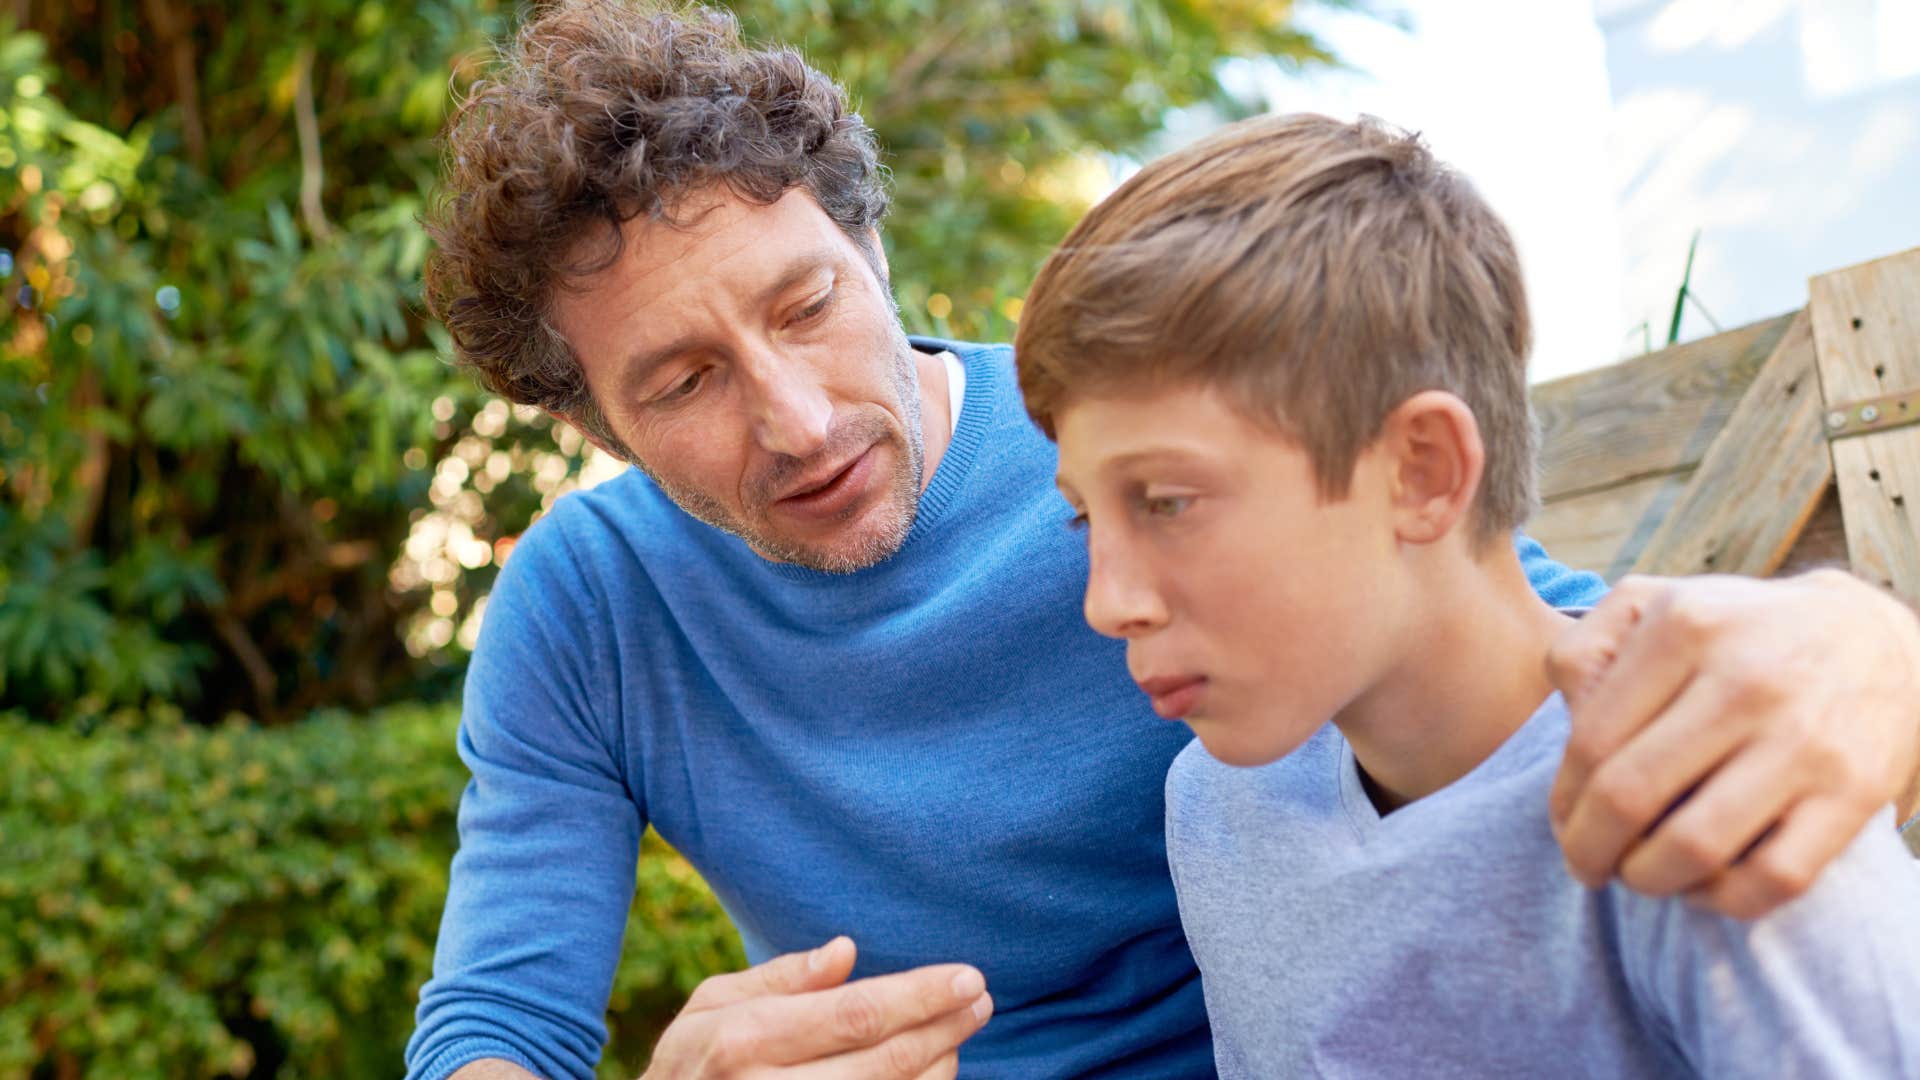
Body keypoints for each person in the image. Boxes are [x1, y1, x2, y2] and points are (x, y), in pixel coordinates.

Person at [404, 3, 1920, 1078]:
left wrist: (1871, 641)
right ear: (599, 428)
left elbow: (1487, 631)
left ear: (871, 245)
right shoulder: (586, 615)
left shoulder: (1125, 438)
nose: (798, 420)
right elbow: (495, 1024)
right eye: (682, 381)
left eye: (806, 305)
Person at [1017, 111, 1920, 1077]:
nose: (1107, 603)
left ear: (1423, 472)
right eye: (1084, 519)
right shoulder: (1217, 809)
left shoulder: (1713, 796)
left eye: (1167, 501)